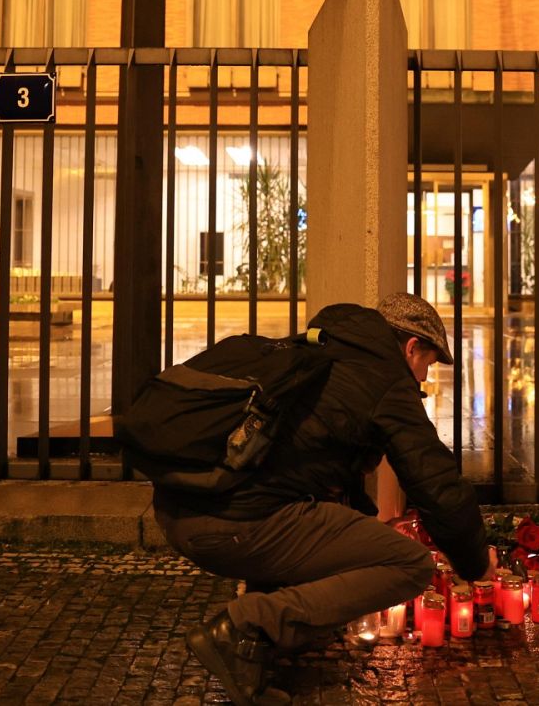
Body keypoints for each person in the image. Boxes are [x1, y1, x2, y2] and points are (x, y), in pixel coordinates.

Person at [152, 292, 493, 705]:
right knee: (408, 564)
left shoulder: (323, 350)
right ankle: (241, 628)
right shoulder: (384, 379)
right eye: (427, 365)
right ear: (411, 348)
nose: (422, 378)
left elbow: (323, 483)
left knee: (314, 515)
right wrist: (475, 563)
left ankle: (254, 657)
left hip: (182, 510)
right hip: (230, 524)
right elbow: (437, 484)